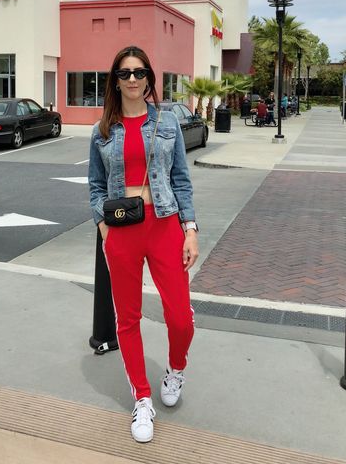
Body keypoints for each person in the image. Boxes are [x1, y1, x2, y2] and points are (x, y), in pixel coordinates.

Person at [89, 45, 198, 444]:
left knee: (180, 318)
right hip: (122, 230)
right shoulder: (102, 130)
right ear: (114, 82)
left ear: (149, 78)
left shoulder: (167, 123)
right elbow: (96, 185)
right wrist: (104, 228)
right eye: (125, 73)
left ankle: (175, 368)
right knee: (128, 318)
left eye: (139, 72)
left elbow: (182, 181)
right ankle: (143, 398)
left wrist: (191, 229)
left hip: (165, 225)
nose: (133, 79)